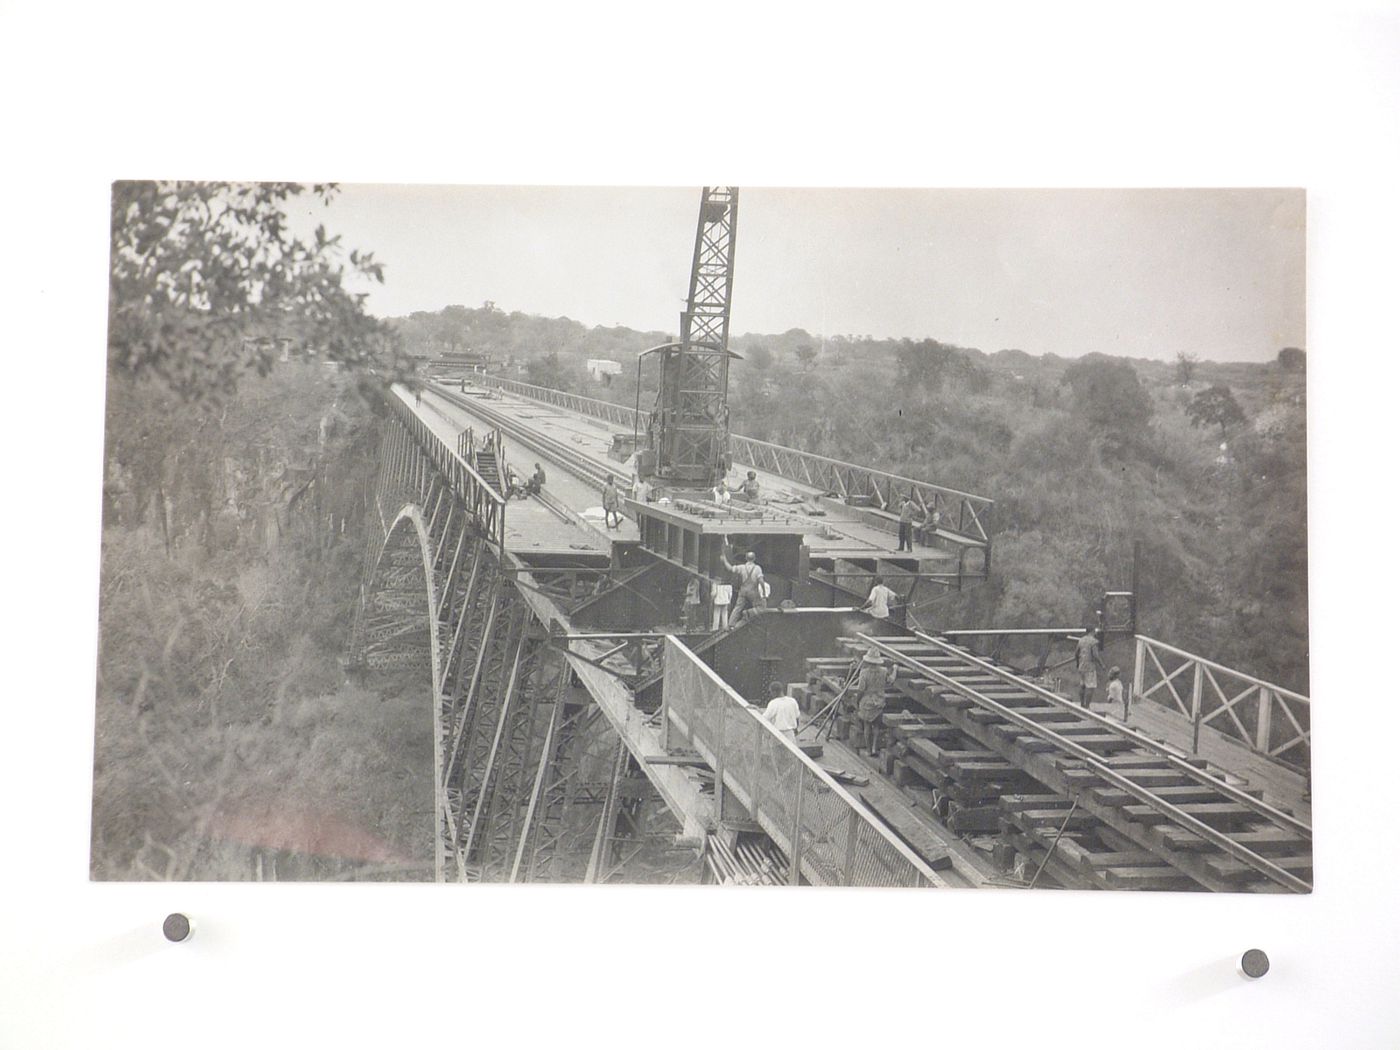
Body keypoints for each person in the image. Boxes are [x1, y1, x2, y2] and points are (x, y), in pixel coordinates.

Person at [853, 646, 896, 754]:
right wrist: (895, 669)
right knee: (876, 725)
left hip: (867, 702)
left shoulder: (864, 672)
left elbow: (861, 690)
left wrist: (857, 701)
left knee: (867, 725)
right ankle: (874, 747)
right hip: (879, 702)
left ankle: (868, 750)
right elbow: (891, 680)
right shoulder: (883, 671)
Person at [722, 549, 766, 624]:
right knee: (759, 606)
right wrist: (764, 593)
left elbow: (730, 568)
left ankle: (730, 624)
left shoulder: (742, 567)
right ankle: (750, 614)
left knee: (738, 607)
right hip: (753, 591)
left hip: (743, 590)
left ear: (746, 558)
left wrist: (724, 560)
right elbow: (761, 581)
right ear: (754, 559)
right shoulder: (757, 568)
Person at [1075, 628, 1107, 708]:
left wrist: (1078, 663)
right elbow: (1095, 655)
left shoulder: (1081, 640)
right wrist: (1102, 664)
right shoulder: (1093, 642)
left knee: (1082, 685)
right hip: (1090, 667)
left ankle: (1082, 703)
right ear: (1092, 631)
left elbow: (1076, 653)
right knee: (1090, 687)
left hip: (1081, 666)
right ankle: (1087, 705)